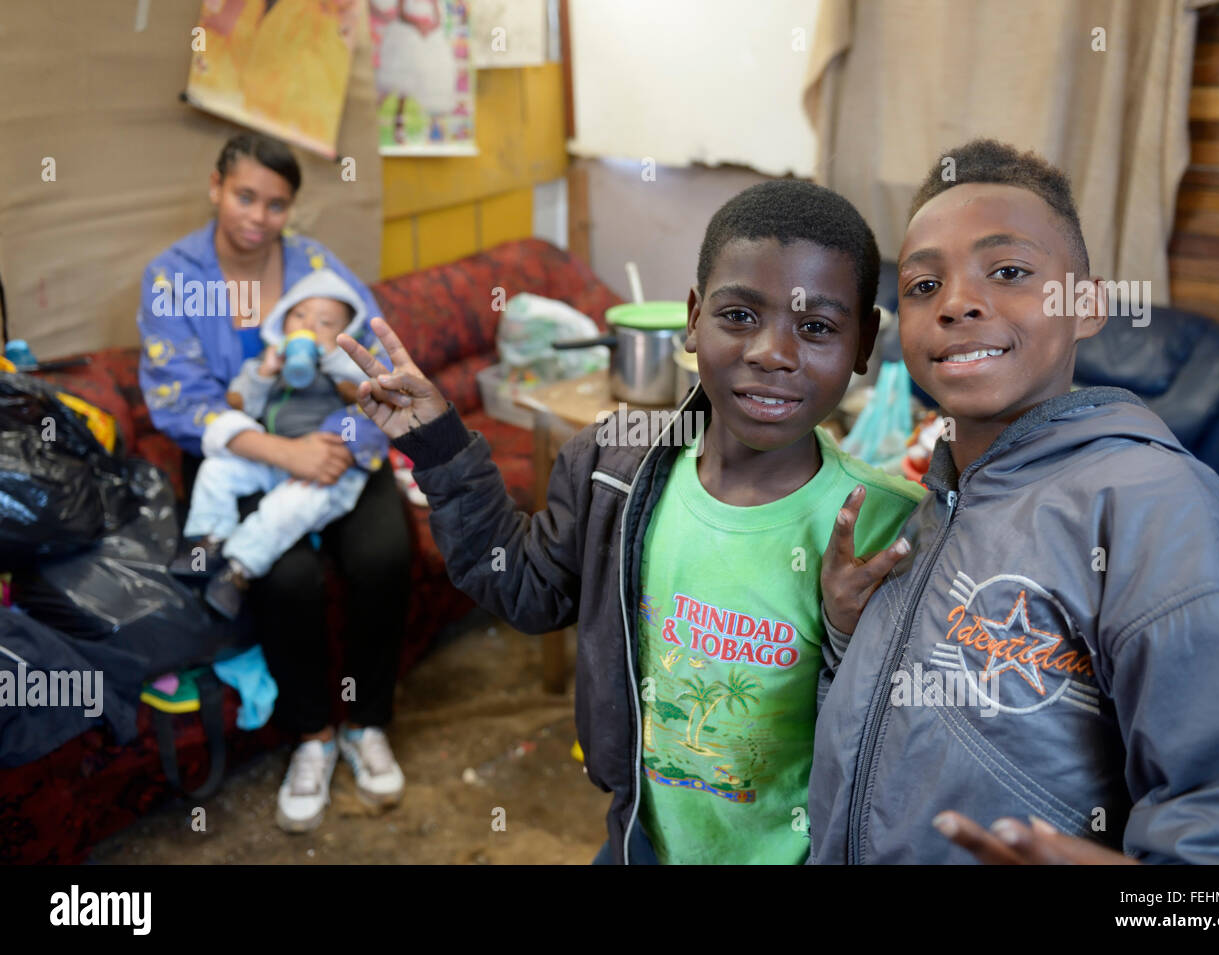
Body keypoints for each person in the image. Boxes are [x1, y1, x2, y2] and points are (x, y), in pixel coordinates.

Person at [339, 180, 924, 864]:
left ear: (864, 343)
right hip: (643, 841)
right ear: (692, 319)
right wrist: (440, 445)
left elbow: (903, 745)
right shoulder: (616, 468)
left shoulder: (887, 526)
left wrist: (849, 634)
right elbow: (528, 588)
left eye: (818, 327)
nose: (772, 352)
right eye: (738, 315)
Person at [810, 138, 1219, 864]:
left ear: (1090, 306)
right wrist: (847, 635)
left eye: (1008, 271)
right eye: (922, 286)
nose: (958, 302)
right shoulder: (931, 502)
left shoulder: (1152, 504)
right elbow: (882, 754)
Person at [137, 132, 411, 833]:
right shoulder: (175, 276)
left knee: (384, 550)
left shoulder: (318, 270)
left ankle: (367, 722)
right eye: (244, 195)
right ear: (215, 187)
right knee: (287, 577)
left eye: (277, 203)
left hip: (338, 442)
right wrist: (285, 455)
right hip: (239, 449)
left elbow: (378, 373)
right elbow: (179, 402)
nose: (258, 216)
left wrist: (344, 444)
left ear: (292, 207)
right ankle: (312, 737)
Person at [176, 270, 386, 621]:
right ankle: (208, 542)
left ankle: (238, 570)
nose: (309, 325)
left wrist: (334, 362)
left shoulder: (346, 372)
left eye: (325, 322)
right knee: (216, 471)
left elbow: (368, 409)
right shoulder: (266, 364)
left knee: (287, 508)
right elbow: (240, 404)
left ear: (345, 336)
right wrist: (265, 373)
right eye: (299, 315)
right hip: (276, 455)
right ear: (282, 319)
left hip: (323, 471)